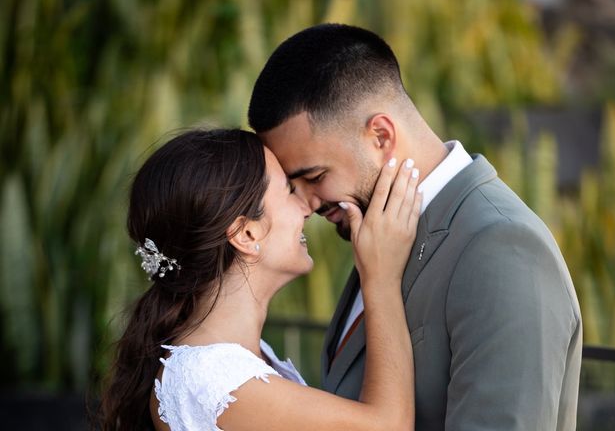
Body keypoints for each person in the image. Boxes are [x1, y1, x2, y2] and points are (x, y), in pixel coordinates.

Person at [248, 23, 583, 430]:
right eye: (293, 185)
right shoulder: (382, 235)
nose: (306, 203)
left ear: (381, 136)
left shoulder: (502, 247)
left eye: (315, 176)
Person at [98, 128, 422, 430]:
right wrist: (380, 278)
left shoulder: (231, 361)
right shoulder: (215, 380)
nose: (307, 207)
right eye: (289, 191)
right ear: (245, 232)